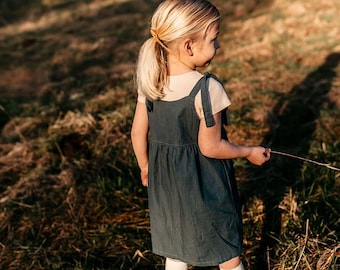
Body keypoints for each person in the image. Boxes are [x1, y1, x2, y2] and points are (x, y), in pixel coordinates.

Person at [131, 0, 271, 269]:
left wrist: (145, 166)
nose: (218, 45)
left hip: (165, 182)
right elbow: (211, 147)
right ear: (188, 46)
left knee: (176, 249)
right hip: (204, 182)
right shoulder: (207, 89)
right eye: (214, 39)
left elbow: (138, 132)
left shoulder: (152, 81)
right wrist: (249, 151)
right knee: (226, 249)